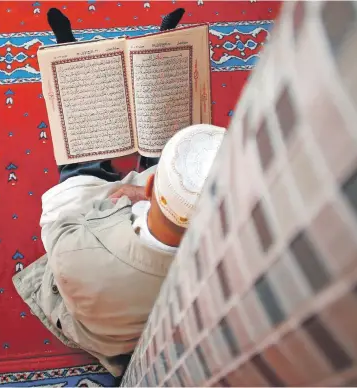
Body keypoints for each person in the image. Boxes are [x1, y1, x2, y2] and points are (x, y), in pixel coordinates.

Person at [12, 9, 225, 377]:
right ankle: (161, 56)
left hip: (97, 310)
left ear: (154, 185)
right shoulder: (218, 270)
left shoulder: (72, 251)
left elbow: (64, 226)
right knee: (165, 145)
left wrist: (124, 197)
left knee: (80, 171)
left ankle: (74, 63)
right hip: (138, 303)